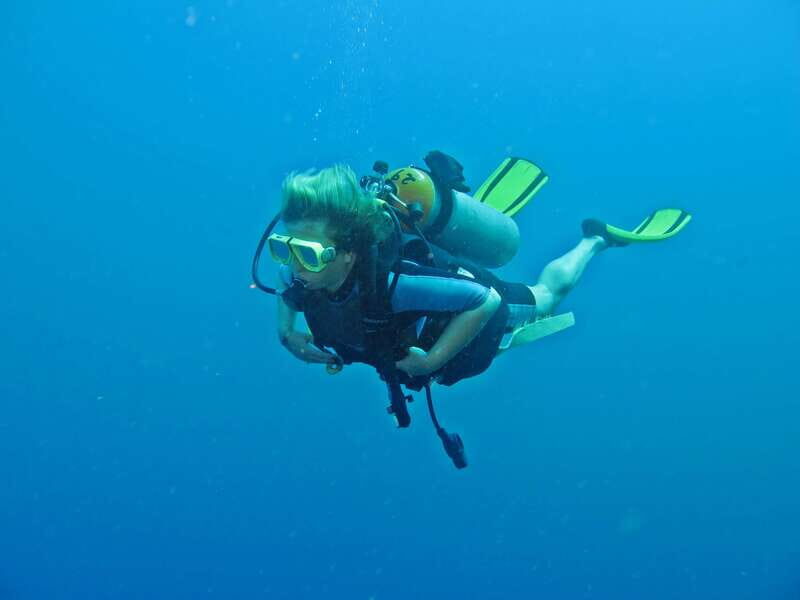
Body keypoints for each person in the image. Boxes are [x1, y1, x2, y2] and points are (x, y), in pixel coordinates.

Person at [254, 152, 691, 467]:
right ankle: (460, 220)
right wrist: (285, 331)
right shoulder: (303, 272)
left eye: (308, 254)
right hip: (424, 306)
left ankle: (595, 240)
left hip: (469, 309)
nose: (293, 265)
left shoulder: (395, 285)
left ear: (350, 254)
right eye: (283, 248)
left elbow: (486, 301)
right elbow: (287, 283)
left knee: (543, 297)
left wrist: (436, 359)